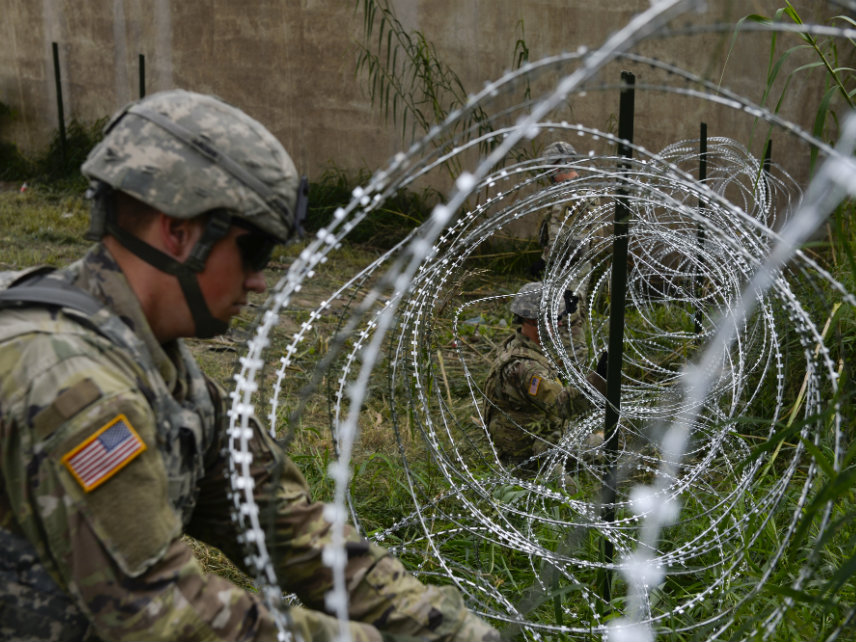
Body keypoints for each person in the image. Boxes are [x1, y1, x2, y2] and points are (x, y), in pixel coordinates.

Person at [0, 89, 500, 642]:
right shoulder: (73, 387)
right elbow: (169, 619)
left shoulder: (165, 374)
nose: (261, 279)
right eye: (255, 250)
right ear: (179, 231)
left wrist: (448, 630)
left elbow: (292, 531)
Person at [482, 282, 607, 466]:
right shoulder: (528, 368)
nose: (559, 323)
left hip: (532, 437)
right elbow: (564, 405)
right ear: (535, 322)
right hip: (531, 452)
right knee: (610, 448)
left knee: (603, 442)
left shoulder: (516, 344)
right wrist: (599, 379)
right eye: (554, 319)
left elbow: (561, 366)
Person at [534, 141, 601, 361]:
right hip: (561, 269)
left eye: (552, 167)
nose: (551, 174)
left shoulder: (577, 194)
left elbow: (577, 244)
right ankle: (562, 369)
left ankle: (579, 381)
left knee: (570, 323)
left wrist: (550, 259)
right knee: (557, 322)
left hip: (571, 271)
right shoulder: (568, 193)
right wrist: (545, 259)